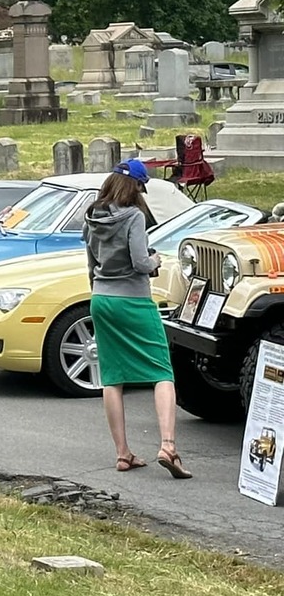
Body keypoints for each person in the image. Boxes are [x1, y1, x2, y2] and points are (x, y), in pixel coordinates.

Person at [83, 160, 191, 479]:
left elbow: (91, 263)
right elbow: (140, 262)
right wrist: (155, 259)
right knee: (161, 370)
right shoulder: (133, 216)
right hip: (133, 298)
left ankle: (123, 454)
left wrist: (101, 288)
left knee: (113, 377)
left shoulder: (91, 216)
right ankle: (168, 446)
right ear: (135, 187)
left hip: (101, 299)